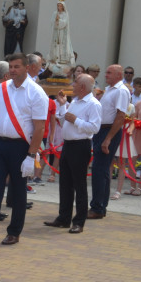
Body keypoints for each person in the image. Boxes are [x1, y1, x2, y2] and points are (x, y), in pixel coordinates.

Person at [0, 53, 48, 246]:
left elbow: (39, 127)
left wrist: (31, 156)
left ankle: (14, 232)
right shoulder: (2, 88)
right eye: (11, 67)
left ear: (27, 68)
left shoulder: (36, 92)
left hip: (21, 146)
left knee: (18, 191)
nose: (13, 70)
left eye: (17, 66)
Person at [44, 75, 101, 233]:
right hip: (68, 145)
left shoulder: (93, 104)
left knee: (79, 184)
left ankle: (79, 221)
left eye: (75, 83)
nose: (72, 85)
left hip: (80, 145)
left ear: (83, 87)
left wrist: (76, 120)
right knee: (65, 183)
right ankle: (64, 218)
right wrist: (63, 106)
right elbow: (63, 121)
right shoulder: (75, 101)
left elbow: (95, 128)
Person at [87, 65, 130, 219]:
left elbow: (120, 116)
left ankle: (97, 207)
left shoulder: (121, 91)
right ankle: (100, 207)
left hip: (109, 130)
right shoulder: (110, 89)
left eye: (109, 73)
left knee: (99, 170)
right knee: (102, 171)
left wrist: (108, 138)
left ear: (119, 74)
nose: (106, 75)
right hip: (102, 130)